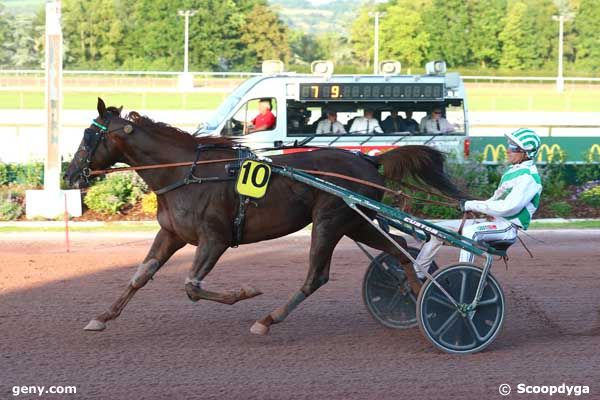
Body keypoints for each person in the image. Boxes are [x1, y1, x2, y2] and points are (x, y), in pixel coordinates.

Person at [413, 128, 543, 280]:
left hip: (507, 227)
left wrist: (472, 205)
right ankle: (417, 276)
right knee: (436, 230)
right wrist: (476, 206)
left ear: (527, 153)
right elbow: (495, 202)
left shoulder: (528, 178)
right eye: (509, 145)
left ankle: (463, 279)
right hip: (494, 222)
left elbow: (509, 207)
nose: (508, 150)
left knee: (471, 232)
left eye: (514, 148)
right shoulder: (514, 171)